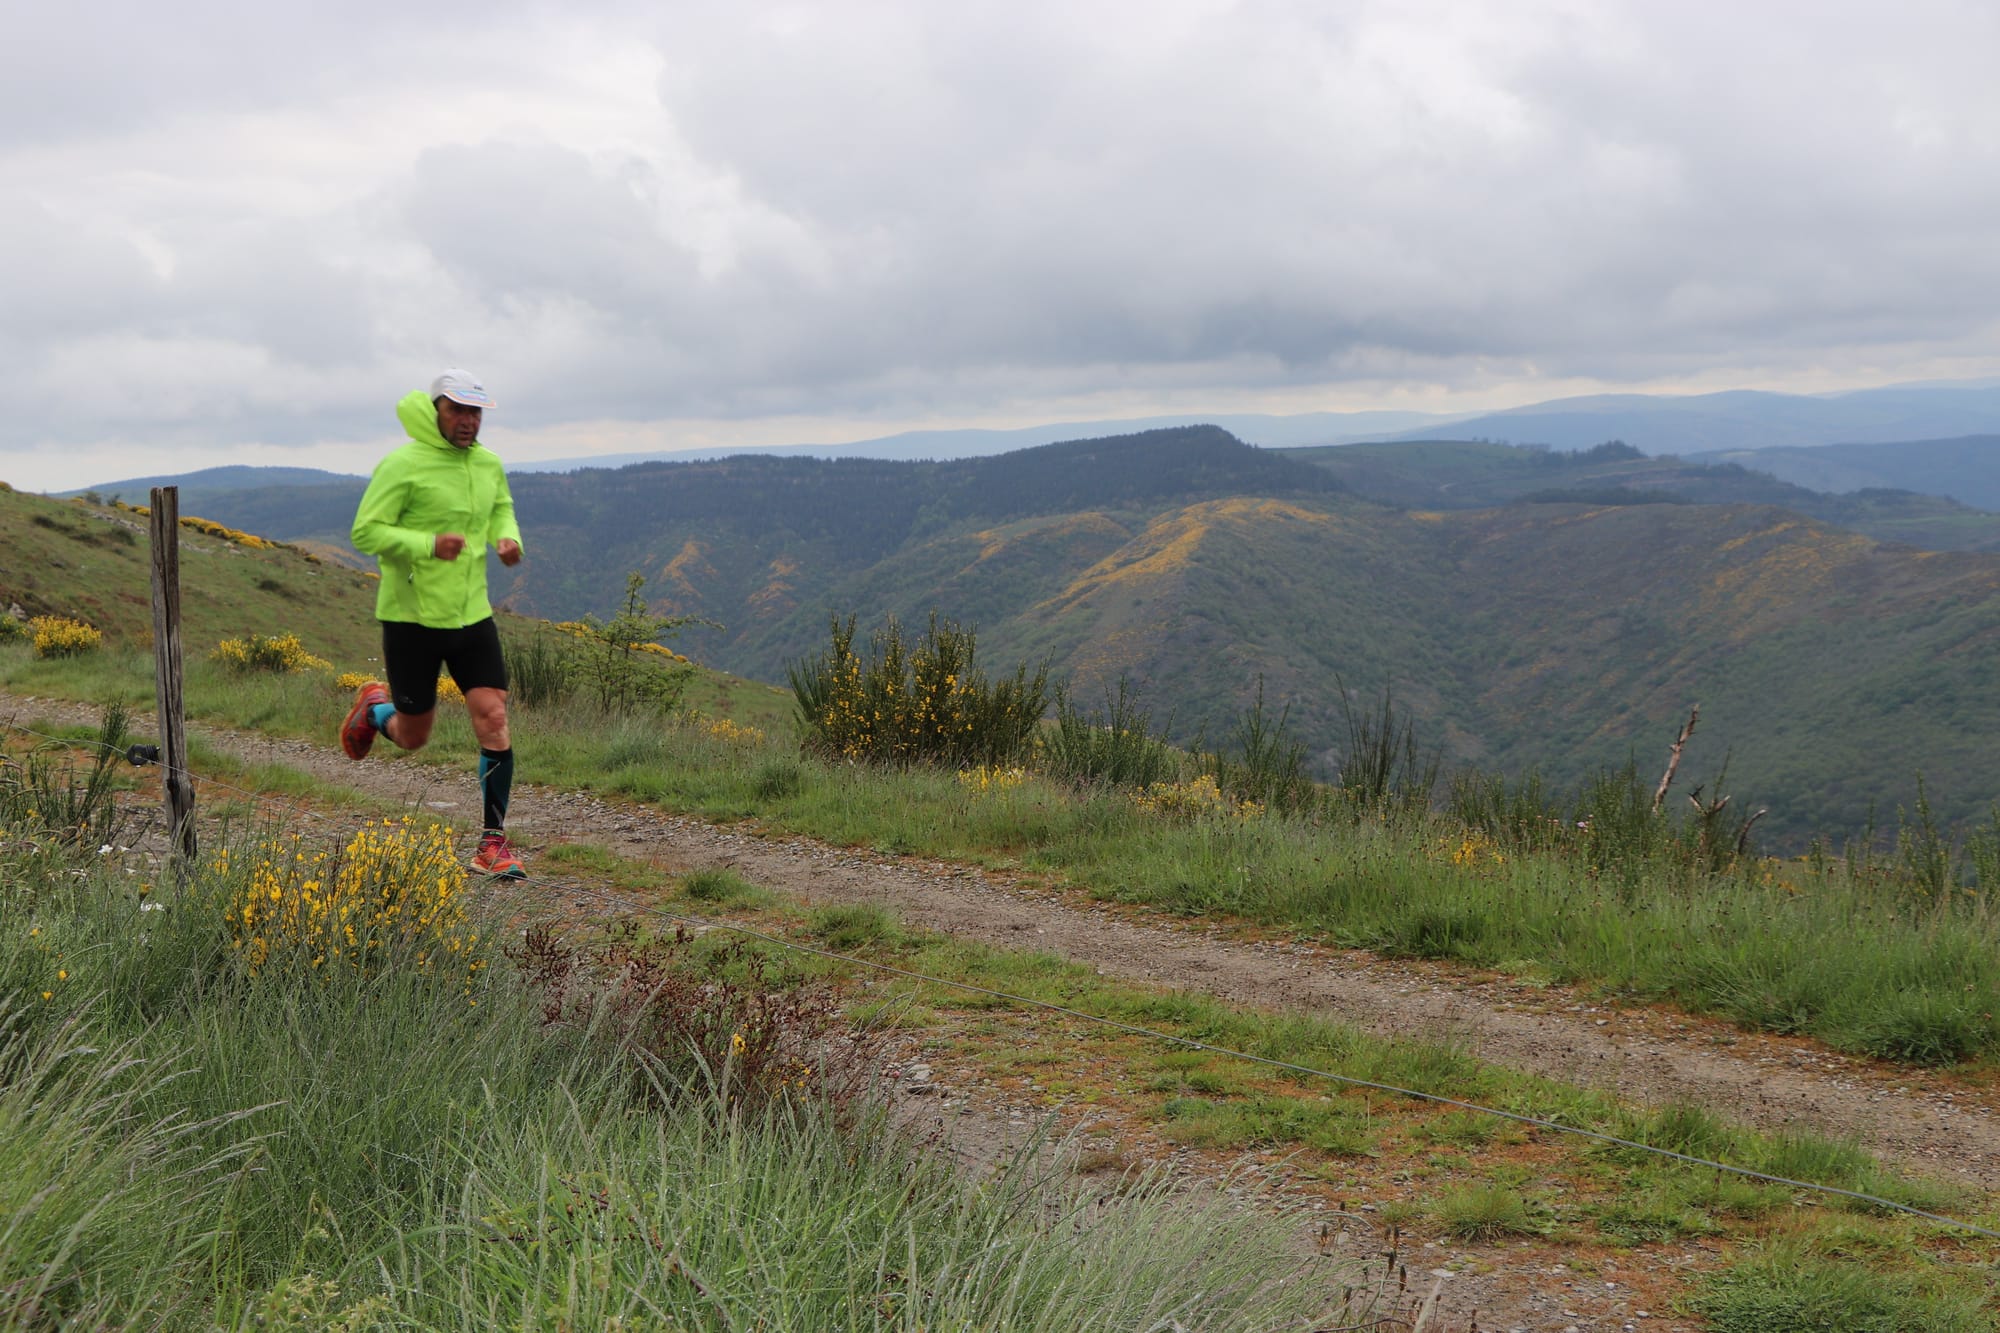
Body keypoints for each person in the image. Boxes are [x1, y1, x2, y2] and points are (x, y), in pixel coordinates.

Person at [340, 369, 529, 879]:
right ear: (436, 410)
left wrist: (507, 538)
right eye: (458, 410)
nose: (468, 422)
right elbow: (365, 531)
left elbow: (501, 510)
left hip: (472, 614)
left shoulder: (488, 463)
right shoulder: (403, 464)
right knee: (413, 736)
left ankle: (492, 843)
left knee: (492, 717)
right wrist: (428, 544)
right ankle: (375, 709)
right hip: (411, 618)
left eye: (476, 412)